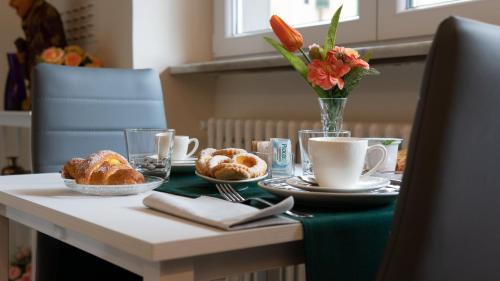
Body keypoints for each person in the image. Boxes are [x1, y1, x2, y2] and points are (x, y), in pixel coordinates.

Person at [9, 0, 67, 80]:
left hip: (49, 81)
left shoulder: (45, 13)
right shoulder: (31, 18)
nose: (11, 4)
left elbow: (56, 56)